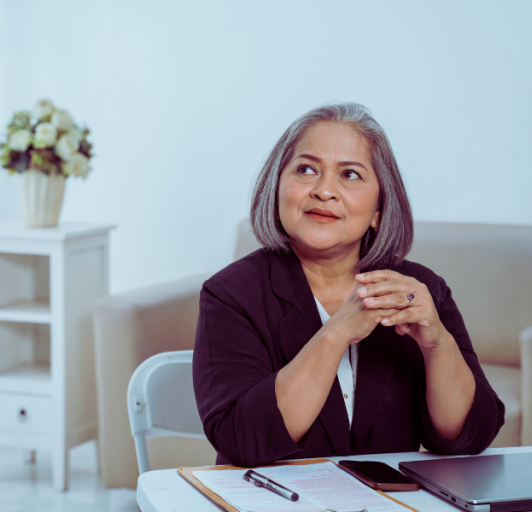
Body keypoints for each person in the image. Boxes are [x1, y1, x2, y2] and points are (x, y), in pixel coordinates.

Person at [193, 103, 504, 467]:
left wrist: (437, 343)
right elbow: (240, 441)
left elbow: (469, 438)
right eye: (306, 169)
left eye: (350, 175)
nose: (324, 191)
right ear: (277, 187)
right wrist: (335, 334)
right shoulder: (231, 294)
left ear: (377, 209)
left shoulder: (421, 289)